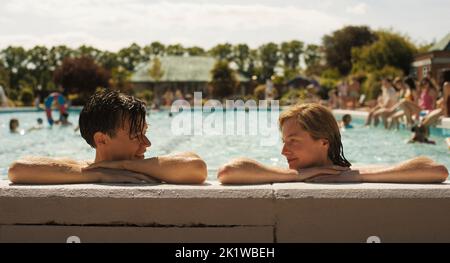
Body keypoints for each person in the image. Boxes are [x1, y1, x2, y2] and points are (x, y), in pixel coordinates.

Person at [8, 91, 207, 185]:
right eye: (136, 135)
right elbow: (18, 169)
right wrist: (98, 175)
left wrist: (122, 166)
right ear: (102, 140)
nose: (147, 144)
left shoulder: (148, 169)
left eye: (145, 132)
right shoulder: (81, 168)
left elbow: (197, 167)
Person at [217, 103, 448, 185]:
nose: (283, 151)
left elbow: (436, 170)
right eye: (284, 141)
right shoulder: (285, 172)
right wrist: (301, 175)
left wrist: (356, 176)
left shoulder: (348, 171)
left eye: (293, 142)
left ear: (323, 142)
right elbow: (227, 172)